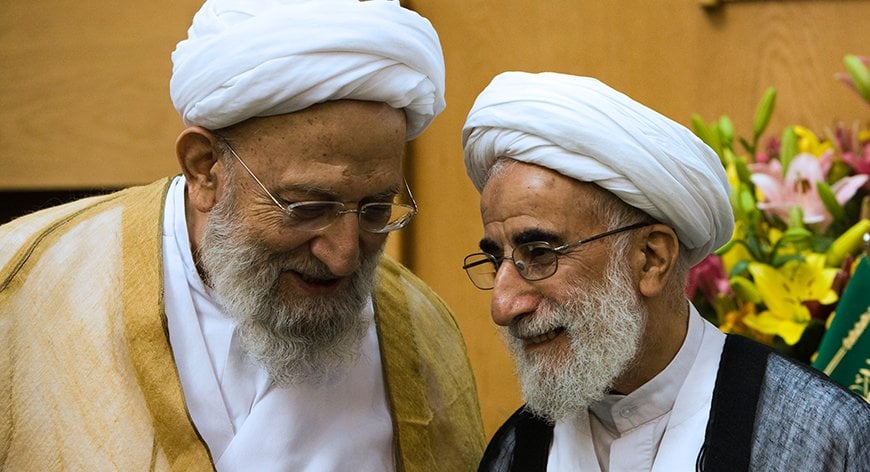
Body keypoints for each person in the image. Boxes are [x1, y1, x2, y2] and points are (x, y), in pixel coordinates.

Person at [0, 1, 485, 470]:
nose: (342, 256)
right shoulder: (21, 288)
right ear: (204, 168)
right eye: (307, 207)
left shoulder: (421, 328)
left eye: (376, 210)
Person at [460, 71, 870, 471]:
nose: (503, 305)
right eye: (497, 258)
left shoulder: (820, 437)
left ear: (651, 258)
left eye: (540, 252)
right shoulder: (516, 450)